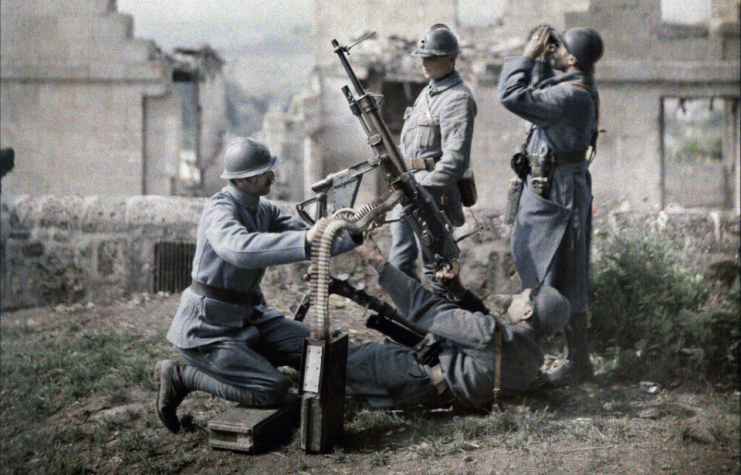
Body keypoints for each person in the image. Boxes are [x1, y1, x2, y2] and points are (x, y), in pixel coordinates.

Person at [154, 138, 360, 434]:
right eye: (266, 172)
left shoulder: (263, 209)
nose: (273, 176)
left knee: (319, 346)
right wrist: (306, 239)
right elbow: (239, 249)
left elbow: (312, 238)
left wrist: (352, 234)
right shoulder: (219, 210)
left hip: (249, 318)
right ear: (247, 179)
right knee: (272, 390)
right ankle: (180, 376)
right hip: (208, 331)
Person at [346, 238, 570, 412]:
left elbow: (425, 308)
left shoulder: (488, 335)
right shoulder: (530, 363)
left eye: (522, 296)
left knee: (333, 354)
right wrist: (458, 290)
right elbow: (490, 335)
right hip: (429, 397)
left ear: (527, 312)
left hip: (407, 377)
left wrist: (377, 260)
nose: (514, 297)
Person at [498, 26, 604, 385]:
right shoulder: (578, 88)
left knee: (555, 276)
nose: (554, 51)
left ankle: (544, 363)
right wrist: (543, 61)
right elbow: (542, 95)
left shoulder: (570, 97)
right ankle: (577, 361)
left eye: (559, 49)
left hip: (559, 194)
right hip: (562, 187)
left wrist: (528, 55)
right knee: (563, 274)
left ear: (572, 58)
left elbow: (513, 96)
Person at [389, 23, 477, 295]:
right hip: (410, 189)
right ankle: (417, 323)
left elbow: (455, 161)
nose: (424, 63)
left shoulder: (457, 99)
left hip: (433, 196)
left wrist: (422, 192)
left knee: (437, 270)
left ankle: (447, 329)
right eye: (422, 57)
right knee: (400, 261)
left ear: (451, 59)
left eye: (432, 57)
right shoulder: (428, 93)